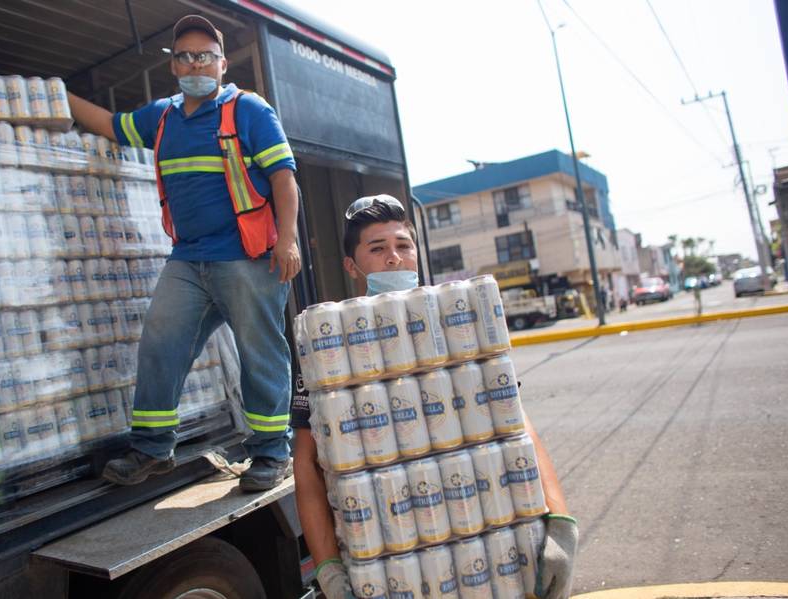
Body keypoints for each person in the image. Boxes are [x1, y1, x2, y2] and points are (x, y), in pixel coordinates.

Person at [291, 195, 579, 599]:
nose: (394, 258)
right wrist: (327, 566)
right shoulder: (328, 343)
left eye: (403, 246)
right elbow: (305, 463)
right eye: (377, 249)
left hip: (486, 543)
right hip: (390, 555)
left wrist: (560, 521)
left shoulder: (452, 320)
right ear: (351, 266)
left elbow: (516, 427)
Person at [67, 14, 300, 491]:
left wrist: (289, 239)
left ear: (221, 63)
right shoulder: (164, 116)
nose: (195, 63)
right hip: (188, 260)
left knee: (261, 355)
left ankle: (272, 454)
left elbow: (283, 177)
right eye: (185, 56)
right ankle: (152, 449)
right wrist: (57, 96)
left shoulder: (249, 110)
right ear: (172, 66)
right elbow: (112, 126)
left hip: (247, 257)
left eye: (204, 56)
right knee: (161, 342)